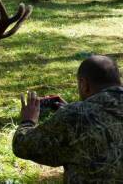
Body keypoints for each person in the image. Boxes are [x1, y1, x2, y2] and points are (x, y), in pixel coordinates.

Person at [12, 55, 123, 183]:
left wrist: (28, 121)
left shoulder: (74, 116)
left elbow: (23, 146)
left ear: (84, 84)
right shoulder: (75, 114)